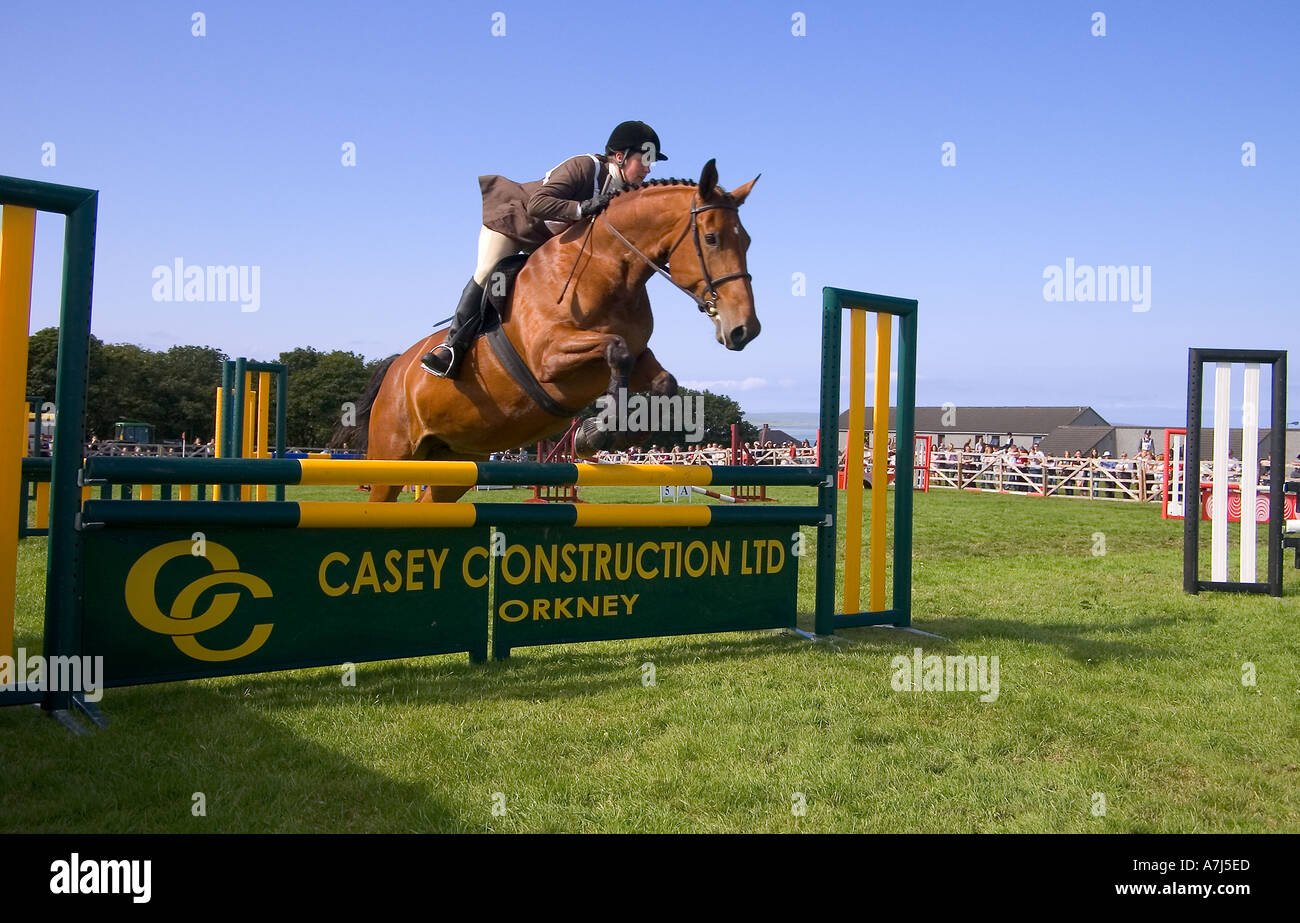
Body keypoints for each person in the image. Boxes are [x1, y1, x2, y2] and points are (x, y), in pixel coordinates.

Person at [421, 120, 670, 378]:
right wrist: (582, 208)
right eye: (646, 160)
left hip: (547, 245)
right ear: (620, 156)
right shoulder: (583, 167)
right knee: (487, 272)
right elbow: (538, 204)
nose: (648, 170)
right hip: (515, 224)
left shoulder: (625, 193)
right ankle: (450, 348)